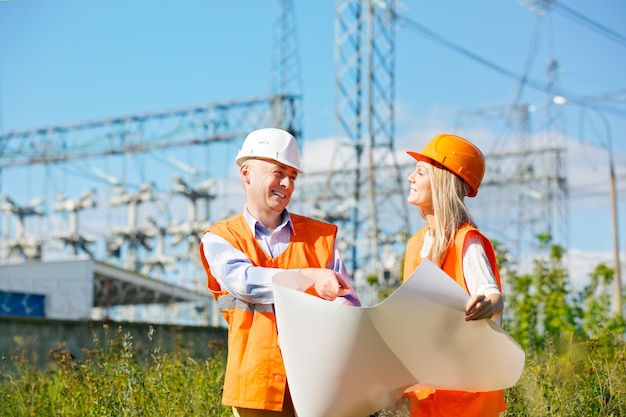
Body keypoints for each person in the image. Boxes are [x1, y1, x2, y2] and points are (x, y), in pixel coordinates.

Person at [199, 127, 361, 417]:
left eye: (293, 176)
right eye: (278, 172)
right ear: (246, 173)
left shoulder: (321, 236)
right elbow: (246, 283)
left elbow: (348, 306)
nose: (287, 183)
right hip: (257, 385)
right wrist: (310, 277)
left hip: (317, 381)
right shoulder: (221, 238)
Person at [402, 133, 506, 416]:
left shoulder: (466, 240)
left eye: (421, 172)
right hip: (425, 393)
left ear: (442, 182)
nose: (410, 178)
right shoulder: (415, 245)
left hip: (466, 394)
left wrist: (488, 304)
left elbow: (492, 295)